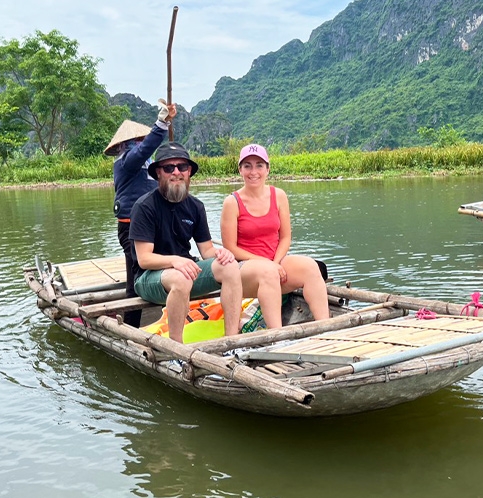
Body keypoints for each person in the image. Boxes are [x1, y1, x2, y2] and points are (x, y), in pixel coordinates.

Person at [129, 142, 243, 343]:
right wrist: (175, 261)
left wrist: (221, 254)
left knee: (231, 267)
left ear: (189, 172)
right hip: (148, 278)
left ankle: (232, 341)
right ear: (158, 174)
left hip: (186, 271)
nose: (176, 172)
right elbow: (144, 259)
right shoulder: (144, 207)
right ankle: (176, 347)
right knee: (181, 278)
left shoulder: (195, 206)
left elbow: (206, 249)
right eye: (168, 168)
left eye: (182, 167)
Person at [220, 144, 329, 328]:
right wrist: (267, 264)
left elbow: (285, 237)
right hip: (244, 270)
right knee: (268, 272)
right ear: (240, 170)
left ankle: (326, 328)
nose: (253, 171)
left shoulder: (278, 196)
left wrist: (276, 261)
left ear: (268, 169)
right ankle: (277, 336)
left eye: (259, 165)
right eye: (247, 166)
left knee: (311, 267)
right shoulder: (232, 202)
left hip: (276, 263)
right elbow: (231, 248)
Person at [105, 100, 177, 327]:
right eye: (137, 141)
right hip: (132, 227)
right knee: (137, 279)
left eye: (141, 140)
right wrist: (161, 123)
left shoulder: (148, 165)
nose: (141, 144)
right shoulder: (126, 162)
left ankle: (169, 314)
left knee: (165, 265)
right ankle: (131, 329)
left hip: (153, 225)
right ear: (126, 145)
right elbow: (145, 149)